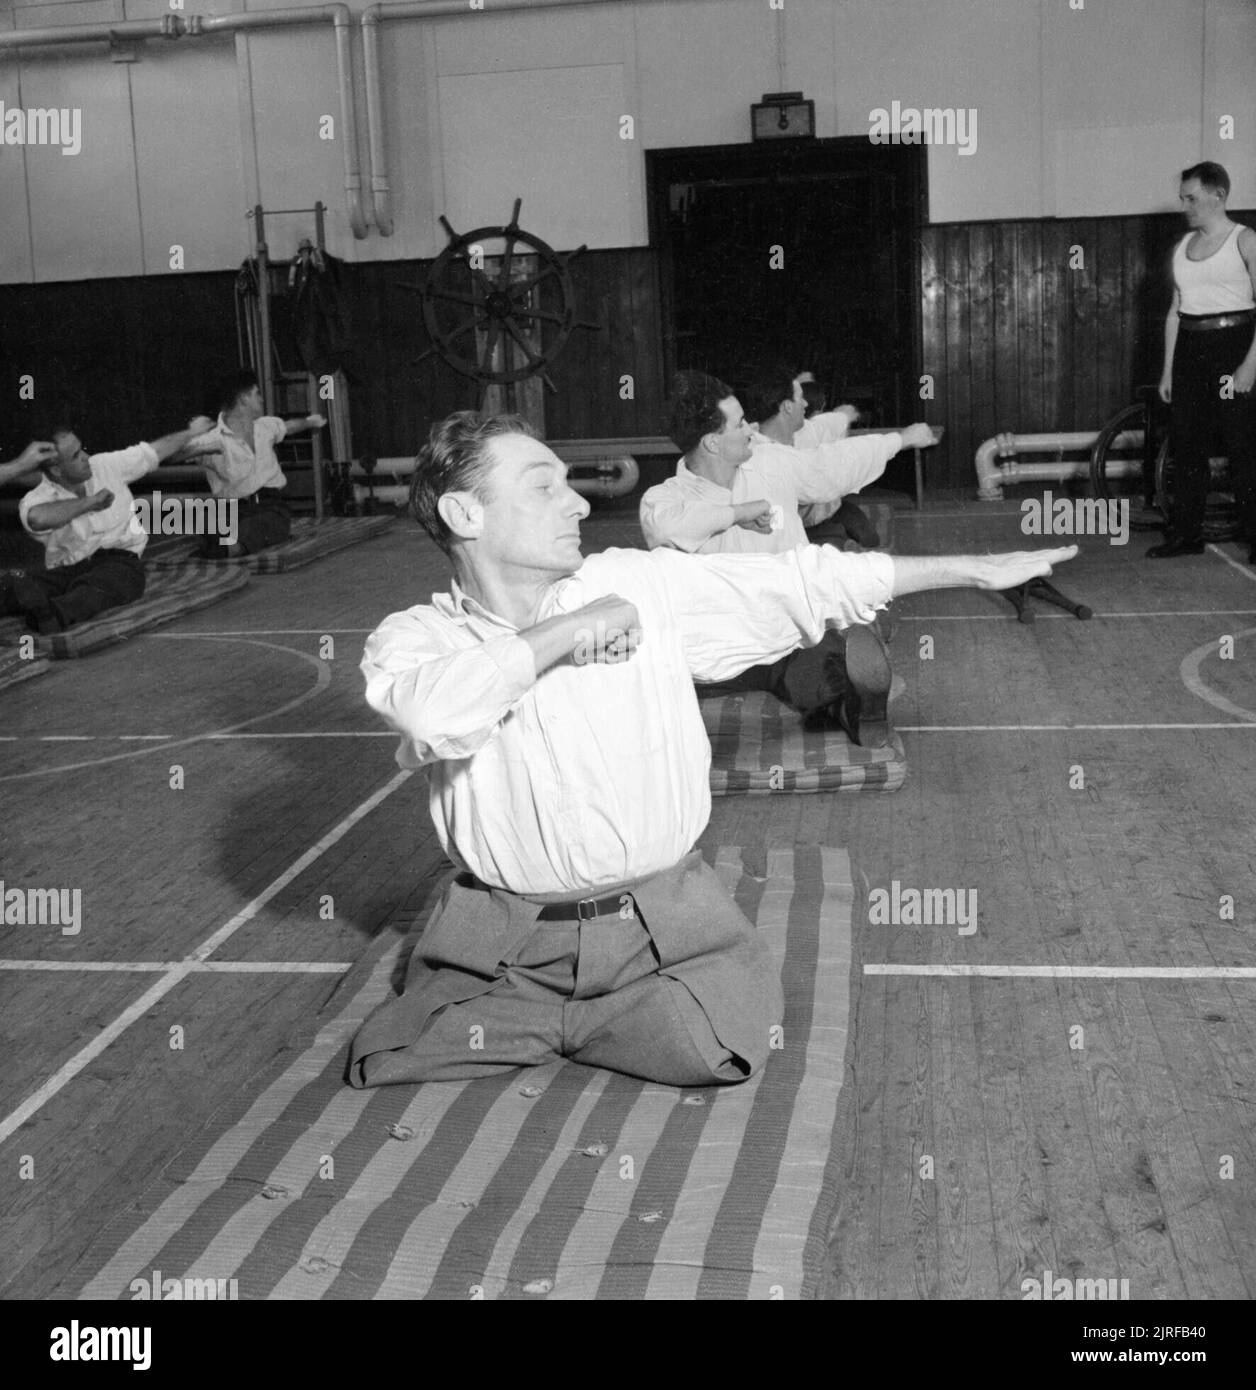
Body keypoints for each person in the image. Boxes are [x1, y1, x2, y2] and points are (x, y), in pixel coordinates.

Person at [347, 409, 1075, 1090]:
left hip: (655, 930)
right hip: (505, 947)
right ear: (464, 513)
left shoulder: (637, 583)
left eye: (569, 485)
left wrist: (972, 569)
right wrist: (567, 634)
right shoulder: (414, 639)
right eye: (544, 488)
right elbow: (429, 714)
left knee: (717, 1046)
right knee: (381, 1057)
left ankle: (600, 1018)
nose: (575, 503)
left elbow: (798, 582)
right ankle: (564, 1020)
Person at [2, 419, 212, 633]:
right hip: (67, 570)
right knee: (26, 584)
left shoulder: (106, 465)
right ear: (56, 470)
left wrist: (190, 432)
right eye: (75, 456)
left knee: (107, 583)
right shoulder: (36, 498)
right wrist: (90, 503)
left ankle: (53, 614)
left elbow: (154, 451)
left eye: (81, 449)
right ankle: (23, 598)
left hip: (120, 562)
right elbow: (38, 518)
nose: (85, 457)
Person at [1148, 162, 1256, 560]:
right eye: (1182, 198)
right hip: (1191, 350)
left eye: (1192, 198)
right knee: (1188, 444)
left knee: (1242, 445)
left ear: (1219, 195)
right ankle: (1186, 536)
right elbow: (1176, 312)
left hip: (1234, 347)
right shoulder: (1181, 248)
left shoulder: (1246, 241)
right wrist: (1167, 371)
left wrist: (1249, 367)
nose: (1185, 206)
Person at [180, 371, 326, 557]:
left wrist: (310, 421)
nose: (262, 399)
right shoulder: (211, 438)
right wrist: (201, 446)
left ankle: (228, 547)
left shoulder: (266, 426)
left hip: (271, 507)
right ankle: (223, 543)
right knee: (215, 520)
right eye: (257, 393)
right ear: (243, 399)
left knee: (265, 523)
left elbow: (289, 426)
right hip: (232, 510)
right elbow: (178, 454)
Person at [791, 369, 880, 544]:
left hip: (822, 512)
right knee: (862, 541)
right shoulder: (816, 431)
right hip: (809, 519)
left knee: (869, 538)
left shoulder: (820, 428)